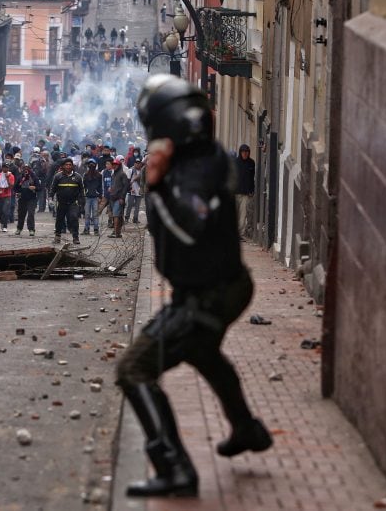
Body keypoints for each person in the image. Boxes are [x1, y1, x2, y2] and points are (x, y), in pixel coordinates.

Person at [115, 75, 272, 498]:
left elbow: (192, 224)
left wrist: (157, 186)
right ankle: (248, 429)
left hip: (211, 292)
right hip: (220, 285)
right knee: (203, 352)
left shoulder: (193, 170)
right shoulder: (203, 157)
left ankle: (174, 467)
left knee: (134, 369)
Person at [49, 158, 85, 245]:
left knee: (74, 218)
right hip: (61, 203)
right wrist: (50, 198)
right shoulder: (58, 176)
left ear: (72, 166)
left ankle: (75, 237)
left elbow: (82, 191)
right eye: (66, 165)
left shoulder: (78, 177)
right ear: (63, 166)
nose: (68, 166)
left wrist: (82, 203)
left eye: (70, 165)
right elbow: (53, 189)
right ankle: (57, 237)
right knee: (59, 220)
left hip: (73, 203)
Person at [234, 144, 255, 239]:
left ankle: (240, 234)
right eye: (243, 152)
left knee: (243, 214)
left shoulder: (251, 163)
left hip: (246, 194)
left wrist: (252, 190)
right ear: (240, 152)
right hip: (235, 192)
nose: (245, 154)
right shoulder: (235, 162)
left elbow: (252, 178)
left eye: (247, 152)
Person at [14, 163, 40, 236]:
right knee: (21, 214)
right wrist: (17, 192)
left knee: (31, 214)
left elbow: (39, 187)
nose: (26, 170)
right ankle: (19, 228)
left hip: (32, 199)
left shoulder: (34, 177)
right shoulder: (20, 177)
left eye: (27, 168)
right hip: (22, 198)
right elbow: (15, 188)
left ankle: (31, 229)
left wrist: (34, 187)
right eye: (24, 168)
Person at [108, 158, 130, 238]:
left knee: (116, 215)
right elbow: (114, 185)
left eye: (116, 164)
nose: (114, 166)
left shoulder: (122, 174)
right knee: (117, 215)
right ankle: (117, 232)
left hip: (119, 198)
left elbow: (125, 186)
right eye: (113, 164)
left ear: (119, 165)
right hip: (113, 197)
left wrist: (122, 198)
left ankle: (115, 232)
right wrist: (111, 189)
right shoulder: (113, 175)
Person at [0, 162, 15, 232]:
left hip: (7, 195)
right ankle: (2, 221)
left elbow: (11, 186)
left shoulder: (11, 176)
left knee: (5, 210)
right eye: (4, 167)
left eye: (6, 167)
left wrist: (7, 178)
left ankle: (5, 226)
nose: (5, 168)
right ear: (2, 168)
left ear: (8, 168)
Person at [82, 159, 102, 235]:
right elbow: (83, 186)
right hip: (87, 197)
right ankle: (86, 229)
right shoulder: (85, 175)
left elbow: (100, 187)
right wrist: (83, 195)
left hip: (95, 197)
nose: (91, 166)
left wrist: (100, 196)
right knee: (87, 214)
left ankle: (96, 229)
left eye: (92, 164)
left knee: (95, 214)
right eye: (90, 164)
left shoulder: (99, 175)